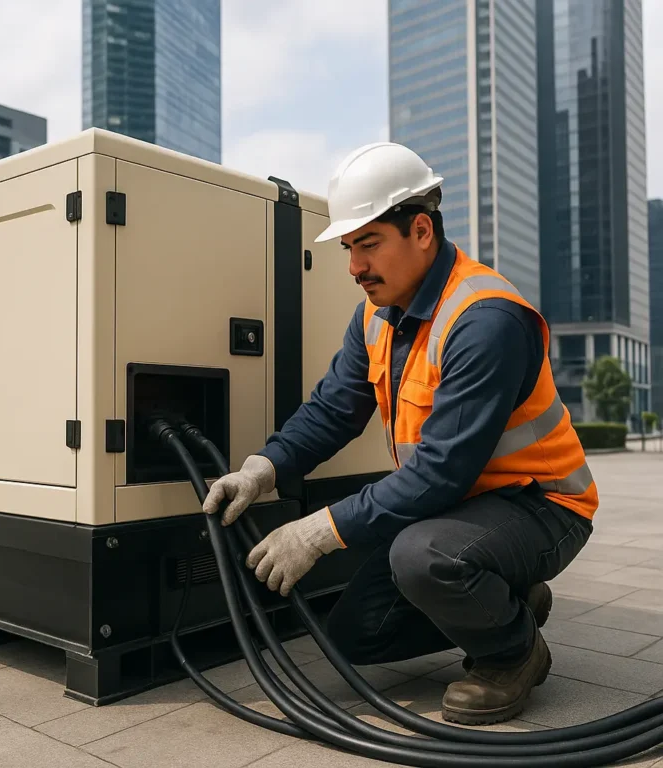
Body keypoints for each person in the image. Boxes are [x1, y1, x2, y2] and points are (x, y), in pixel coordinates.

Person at [202, 142, 598, 726]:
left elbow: (440, 473)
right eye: (348, 248)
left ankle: (513, 653)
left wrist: (314, 534)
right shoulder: (376, 314)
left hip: (543, 506)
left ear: (420, 230)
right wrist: (264, 469)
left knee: (422, 556)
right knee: (354, 636)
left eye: (368, 244)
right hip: (461, 510)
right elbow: (334, 410)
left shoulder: (485, 319)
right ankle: (506, 602)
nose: (354, 267)